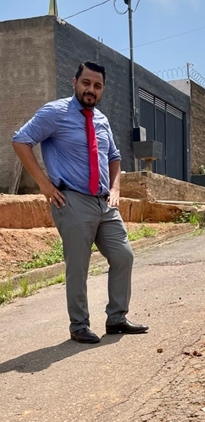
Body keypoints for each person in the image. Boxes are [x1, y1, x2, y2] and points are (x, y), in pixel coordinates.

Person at [12, 61, 148, 344]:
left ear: (102, 90)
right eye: (86, 83)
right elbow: (21, 141)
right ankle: (79, 325)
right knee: (79, 265)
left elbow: (114, 157)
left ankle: (117, 318)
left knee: (124, 256)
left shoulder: (102, 120)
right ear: (75, 82)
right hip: (72, 200)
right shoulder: (55, 112)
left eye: (97, 86)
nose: (91, 90)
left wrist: (116, 188)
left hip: (103, 203)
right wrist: (43, 183)